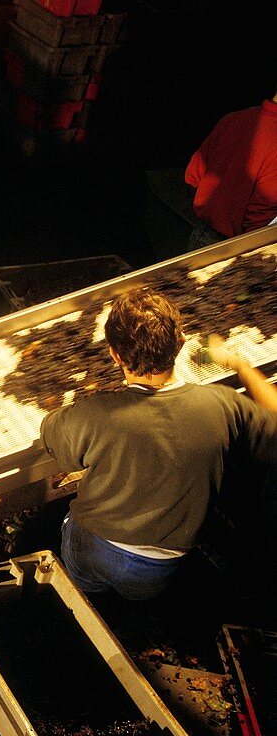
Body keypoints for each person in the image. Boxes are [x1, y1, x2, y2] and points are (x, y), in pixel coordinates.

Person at [40, 288, 277, 601]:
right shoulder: (223, 406)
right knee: (136, 596)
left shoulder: (93, 414)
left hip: (95, 543)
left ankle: (87, 600)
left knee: (83, 586)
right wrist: (239, 364)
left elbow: (50, 434)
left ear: (114, 354)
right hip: (161, 561)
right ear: (180, 345)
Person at [184, 87, 277, 250]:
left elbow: (192, 177)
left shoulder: (234, 118)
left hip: (201, 235)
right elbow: (259, 220)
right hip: (238, 249)